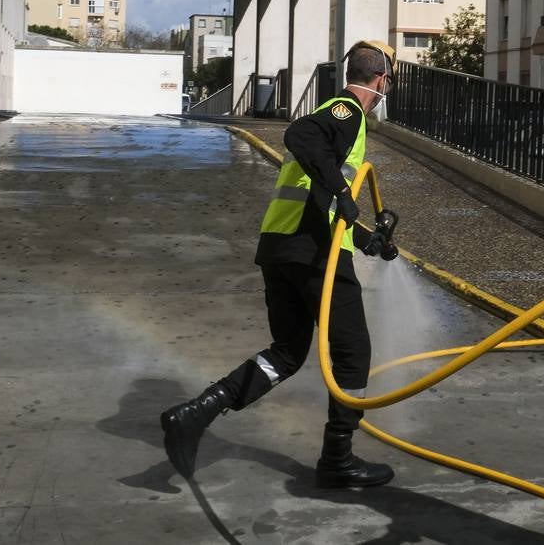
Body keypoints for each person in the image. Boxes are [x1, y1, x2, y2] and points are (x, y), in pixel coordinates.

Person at [160, 40, 398, 488]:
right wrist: (347, 196)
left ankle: (198, 412)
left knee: (287, 352)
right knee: (353, 354)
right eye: (387, 81)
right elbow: (300, 135)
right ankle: (338, 459)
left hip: (283, 245)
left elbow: (317, 197)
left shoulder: (338, 120)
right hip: (314, 254)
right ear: (382, 80)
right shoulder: (346, 111)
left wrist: (369, 242)